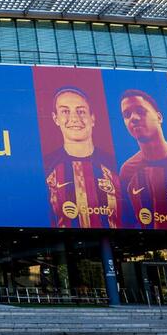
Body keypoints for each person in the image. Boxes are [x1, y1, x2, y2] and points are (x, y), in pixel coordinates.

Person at [116, 89, 167, 230]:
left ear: (159, 117)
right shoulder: (127, 170)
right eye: (127, 115)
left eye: (140, 111)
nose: (133, 118)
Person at [43, 86, 121, 228]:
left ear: (92, 118)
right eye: (65, 111)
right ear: (56, 118)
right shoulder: (46, 167)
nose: (74, 118)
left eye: (81, 111)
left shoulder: (116, 166)